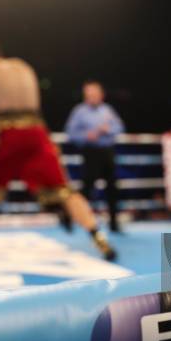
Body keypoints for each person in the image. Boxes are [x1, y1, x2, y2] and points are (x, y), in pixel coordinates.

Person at [0, 34, 116, 261]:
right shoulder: (22, 66)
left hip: (6, 131)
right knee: (65, 190)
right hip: (37, 131)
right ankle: (100, 239)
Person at [65, 80, 124, 232]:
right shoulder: (79, 111)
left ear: (101, 95)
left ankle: (114, 223)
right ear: (85, 95)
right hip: (90, 152)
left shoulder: (107, 110)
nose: (92, 96)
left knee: (112, 188)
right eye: (89, 94)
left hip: (107, 152)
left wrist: (107, 130)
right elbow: (71, 132)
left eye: (95, 93)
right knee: (86, 190)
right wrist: (86, 136)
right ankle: (77, 220)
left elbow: (119, 127)